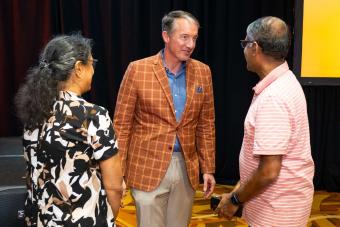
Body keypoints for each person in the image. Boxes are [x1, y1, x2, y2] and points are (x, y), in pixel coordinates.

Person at [113, 10, 216, 227]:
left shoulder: (203, 72)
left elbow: (206, 124)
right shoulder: (138, 69)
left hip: (186, 168)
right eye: (184, 37)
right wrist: (118, 173)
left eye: (194, 38)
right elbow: (122, 125)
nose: (190, 44)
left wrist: (208, 168)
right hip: (146, 167)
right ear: (166, 36)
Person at [15, 34, 123, 227]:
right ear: (79, 69)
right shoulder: (93, 116)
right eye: (92, 63)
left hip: (41, 220)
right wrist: (107, 219)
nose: (93, 70)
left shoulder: (33, 112)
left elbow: (32, 176)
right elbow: (115, 187)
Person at [215, 16, 315, 226]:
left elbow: (269, 171)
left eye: (245, 43)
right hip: (281, 204)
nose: (243, 50)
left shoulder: (273, 97)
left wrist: (234, 200)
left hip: (276, 211)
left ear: (254, 47)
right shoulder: (285, 81)